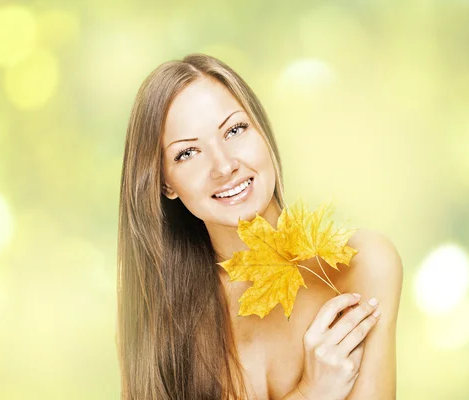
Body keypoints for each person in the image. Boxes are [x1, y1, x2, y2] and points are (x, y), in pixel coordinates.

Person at [116, 53, 403, 400]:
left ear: (262, 131)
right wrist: (312, 392)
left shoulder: (362, 264)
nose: (223, 166)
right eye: (188, 153)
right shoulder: (158, 317)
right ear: (166, 184)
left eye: (234, 130)